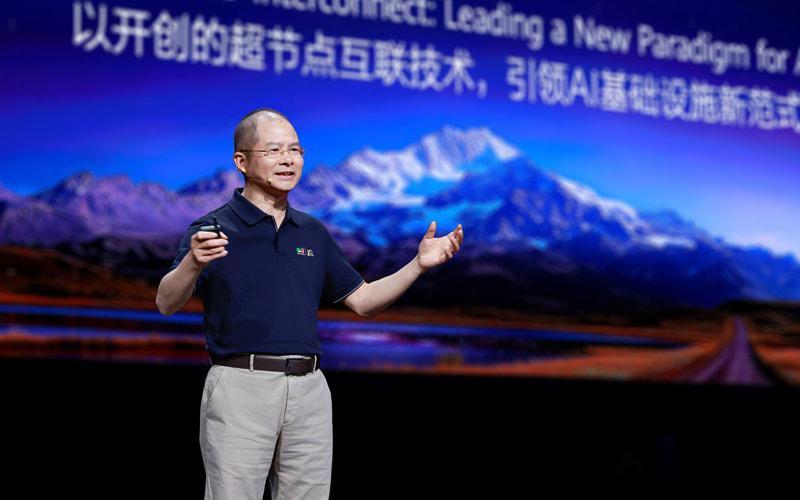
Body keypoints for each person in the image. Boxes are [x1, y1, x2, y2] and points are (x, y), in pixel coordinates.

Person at [155, 108, 464, 499]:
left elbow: (365, 301)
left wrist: (418, 265)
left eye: (295, 150)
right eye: (274, 150)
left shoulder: (312, 232)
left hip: (310, 389)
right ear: (241, 161)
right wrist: (192, 263)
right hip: (241, 386)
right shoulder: (213, 228)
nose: (288, 160)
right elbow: (166, 303)